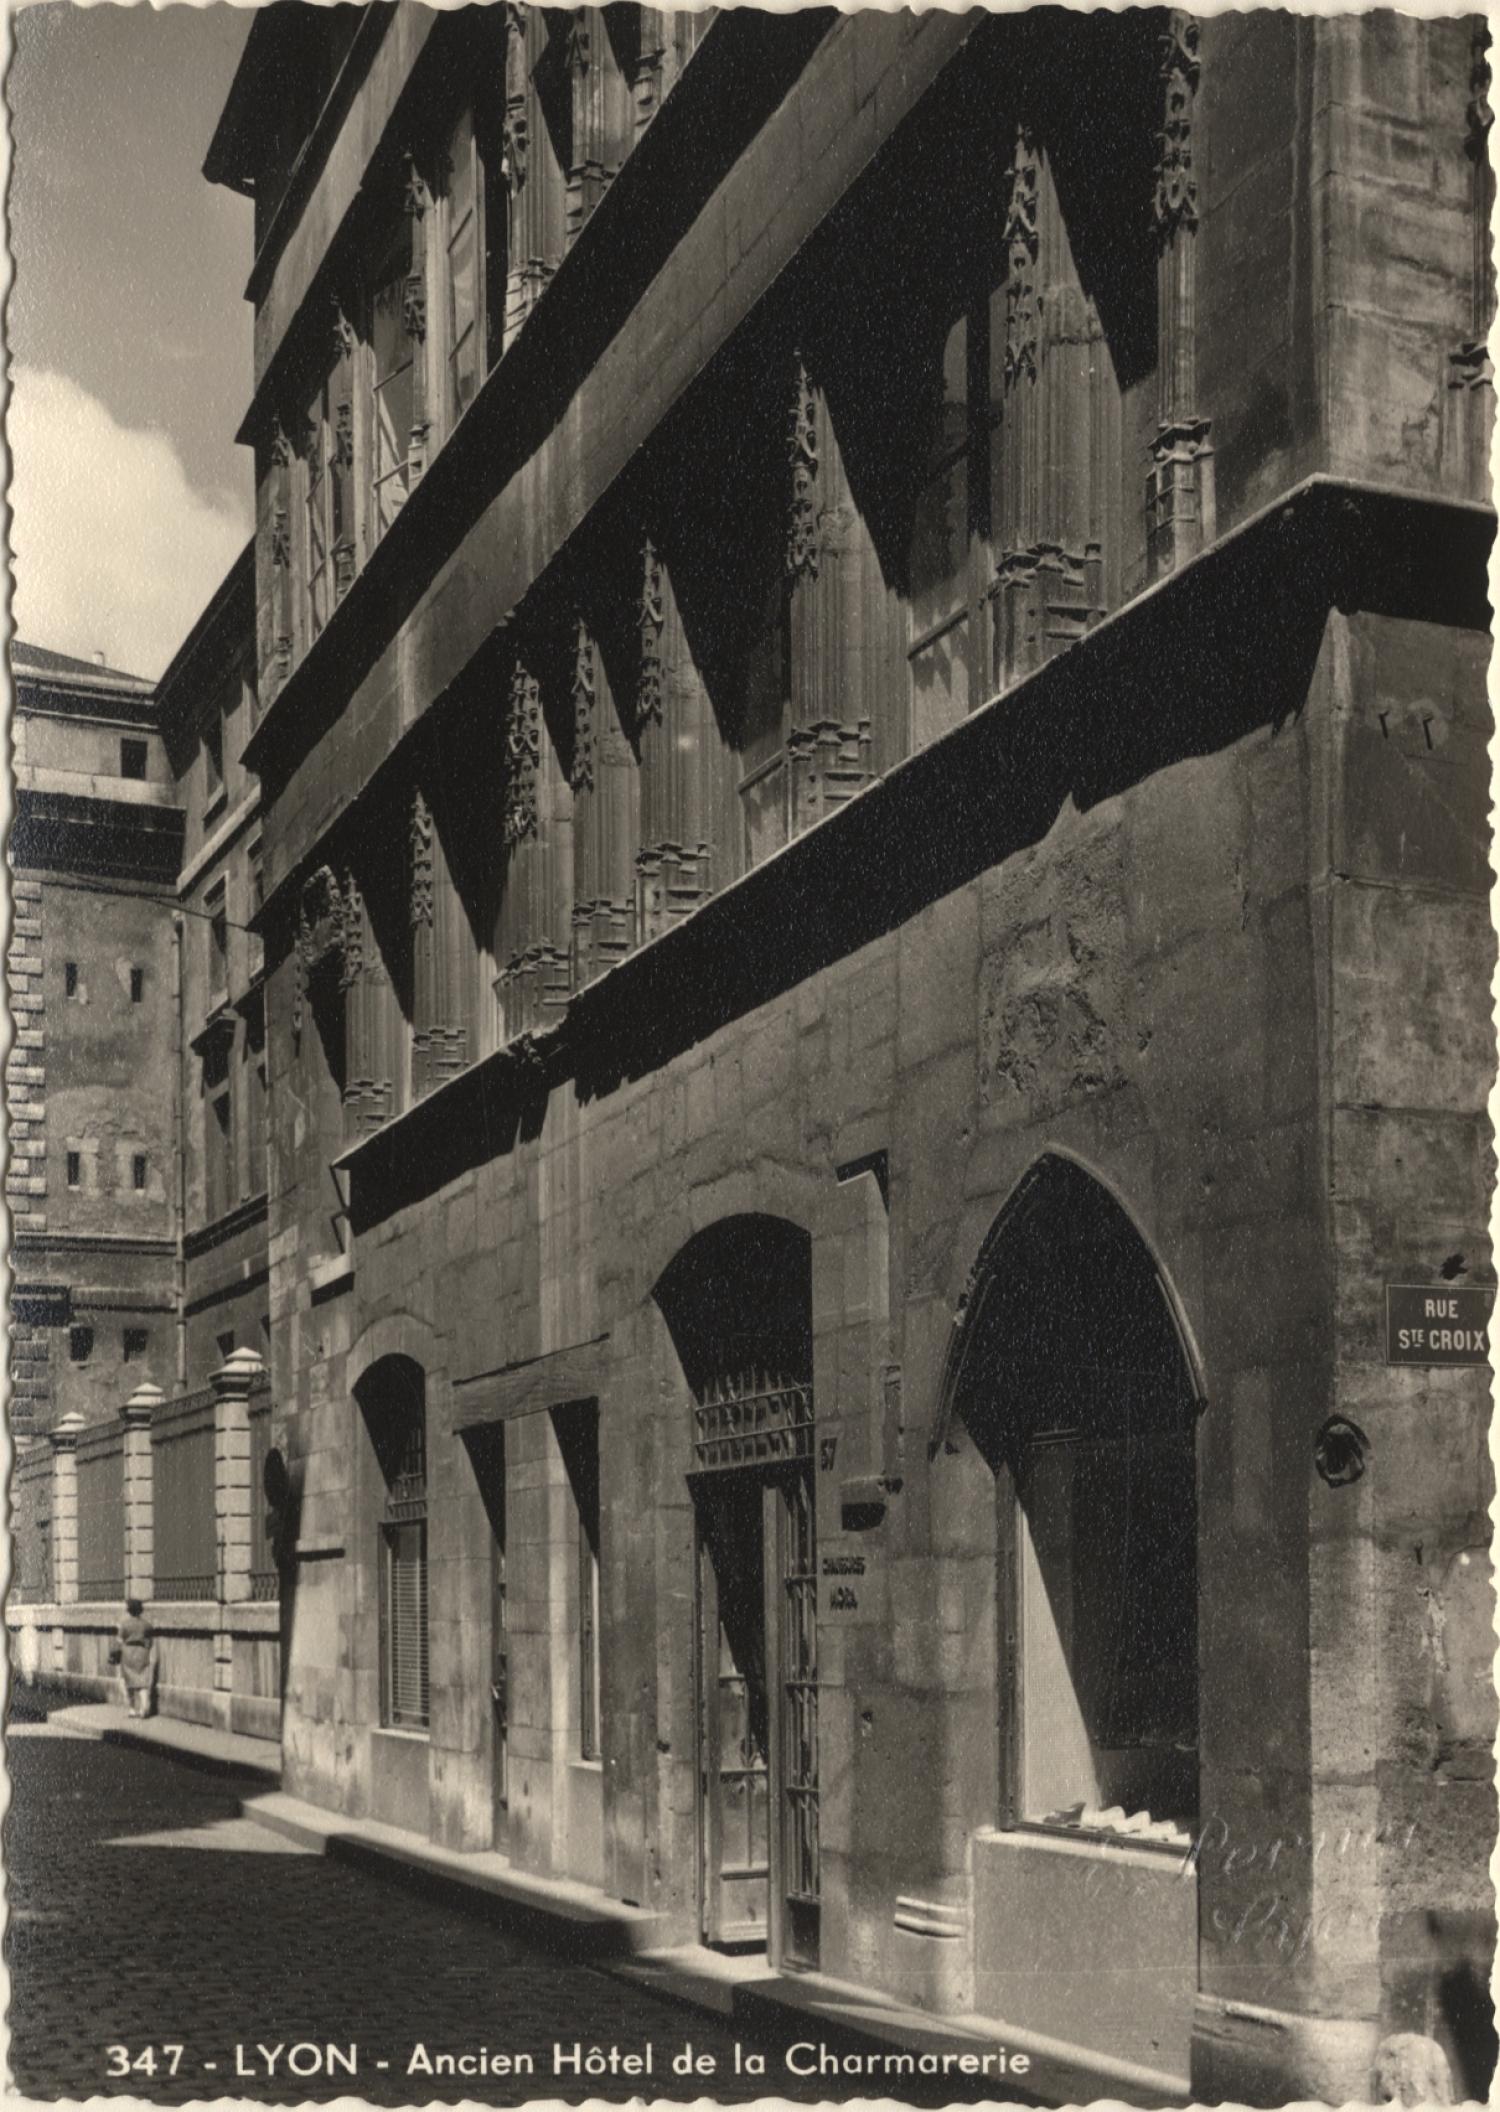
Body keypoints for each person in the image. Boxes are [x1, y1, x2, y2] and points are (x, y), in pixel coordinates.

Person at [116, 1598, 157, 1719]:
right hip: (142, 1653)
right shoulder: (146, 1625)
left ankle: (132, 1709)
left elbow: (119, 1640)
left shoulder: (124, 1624)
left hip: (128, 1653)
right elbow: (150, 1640)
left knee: (129, 1682)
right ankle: (144, 1708)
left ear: (129, 1610)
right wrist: (146, 1648)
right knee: (142, 1682)